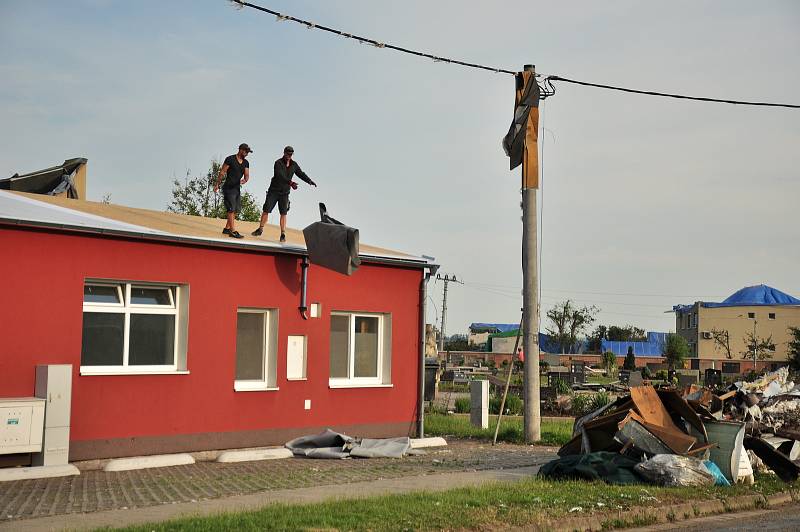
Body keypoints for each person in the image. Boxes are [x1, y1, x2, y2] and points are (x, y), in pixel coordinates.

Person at [251, 146, 316, 242]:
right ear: (284, 153)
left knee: (283, 213)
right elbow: (279, 175)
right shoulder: (278, 163)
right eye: (287, 154)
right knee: (266, 210)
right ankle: (260, 229)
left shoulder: (294, 164)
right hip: (274, 191)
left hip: (284, 193)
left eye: (290, 154)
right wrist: (291, 183)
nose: (289, 156)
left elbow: (300, 173)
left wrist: (309, 181)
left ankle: (283, 234)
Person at [214, 143, 252, 239]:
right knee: (231, 209)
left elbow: (246, 174)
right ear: (241, 150)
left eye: (248, 152)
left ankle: (227, 228)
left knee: (235, 210)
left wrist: (245, 179)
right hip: (228, 187)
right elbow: (222, 172)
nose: (247, 153)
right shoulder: (230, 159)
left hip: (236, 188)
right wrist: (217, 184)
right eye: (246, 151)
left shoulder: (246, 162)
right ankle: (233, 231)